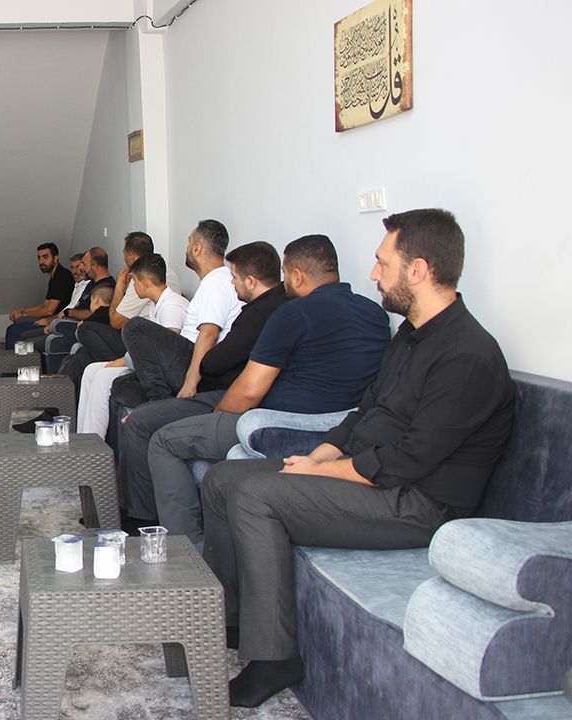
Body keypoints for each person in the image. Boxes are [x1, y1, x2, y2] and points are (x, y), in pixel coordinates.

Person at [202, 209, 515, 708]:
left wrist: (321, 472)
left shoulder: (468, 355)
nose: (372, 274)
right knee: (223, 479)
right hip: (376, 480)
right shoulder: (410, 335)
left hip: (417, 505)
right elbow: (366, 410)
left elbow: (407, 461)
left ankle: (274, 658)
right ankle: (235, 618)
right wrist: (320, 452)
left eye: (382, 263)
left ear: (418, 270)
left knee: (256, 495)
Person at [127, 235, 391, 546]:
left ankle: (186, 550)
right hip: (337, 430)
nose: (283, 283)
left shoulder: (293, 314)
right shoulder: (374, 314)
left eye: (285, 274)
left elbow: (248, 392)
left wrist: (216, 415)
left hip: (276, 425)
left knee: (164, 441)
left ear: (297, 275)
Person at [120, 219, 244, 400]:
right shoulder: (218, 280)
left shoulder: (215, 283)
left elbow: (209, 333)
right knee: (122, 385)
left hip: (192, 362)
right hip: (186, 355)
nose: (186, 248)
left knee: (134, 327)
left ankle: (160, 400)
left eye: (189, 242)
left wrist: (190, 384)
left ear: (197, 249)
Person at [76, 253, 190, 438]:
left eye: (134, 282)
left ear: (145, 283)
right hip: (143, 363)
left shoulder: (172, 306)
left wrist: (121, 362)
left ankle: (94, 441)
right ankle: (83, 438)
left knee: (102, 377)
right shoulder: (155, 305)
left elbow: (166, 353)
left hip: (162, 373)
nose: (133, 287)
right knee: (91, 370)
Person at [59, 232, 178, 393]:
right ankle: (58, 393)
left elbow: (116, 321)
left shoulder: (143, 278)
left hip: (138, 340)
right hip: (138, 334)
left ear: (130, 256)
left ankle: (57, 396)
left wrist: (120, 286)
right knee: (80, 357)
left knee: (85, 330)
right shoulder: (166, 271)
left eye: (124, 253)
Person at [5, 242, 75, 349]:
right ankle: (17, 356)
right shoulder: (54, 277)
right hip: (50, 317)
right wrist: (22, 310)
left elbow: (49, 311)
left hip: (55, 320)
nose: (41, 261)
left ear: (56, 258)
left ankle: (16, 357)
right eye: (39, 258)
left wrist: (24, 315)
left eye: (45, 257)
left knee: (13, 331)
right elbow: (45, 305)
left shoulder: (61, 277)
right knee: (18, 321)